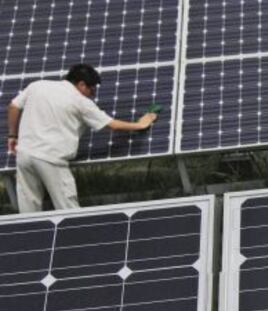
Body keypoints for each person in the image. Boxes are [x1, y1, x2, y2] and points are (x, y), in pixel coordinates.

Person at [7, 63, 158, 213]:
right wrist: (140, 125)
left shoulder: (37, 86)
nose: (92, 95)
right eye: (92, 90)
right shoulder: (80, 102)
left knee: (28, 211)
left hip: (24, 155)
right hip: (51, 159)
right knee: (69, 212)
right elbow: (113, 125)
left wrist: (13, 135)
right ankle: (75, 236)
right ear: (81, 84)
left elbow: (13, 106)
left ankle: (31, 237)